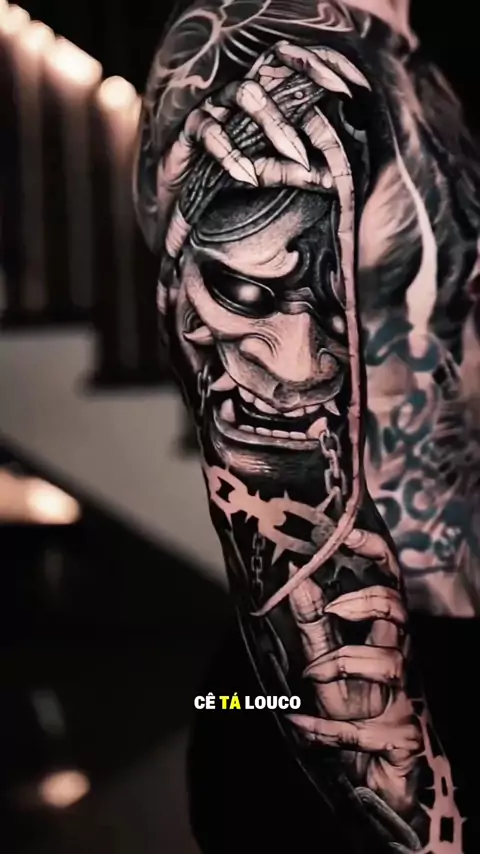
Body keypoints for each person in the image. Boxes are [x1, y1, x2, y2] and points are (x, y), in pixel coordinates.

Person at [134, 1, 480, 851]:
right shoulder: (275, 56)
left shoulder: (408, 58)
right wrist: (417, 811)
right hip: (360, 703)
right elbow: (275, 478)